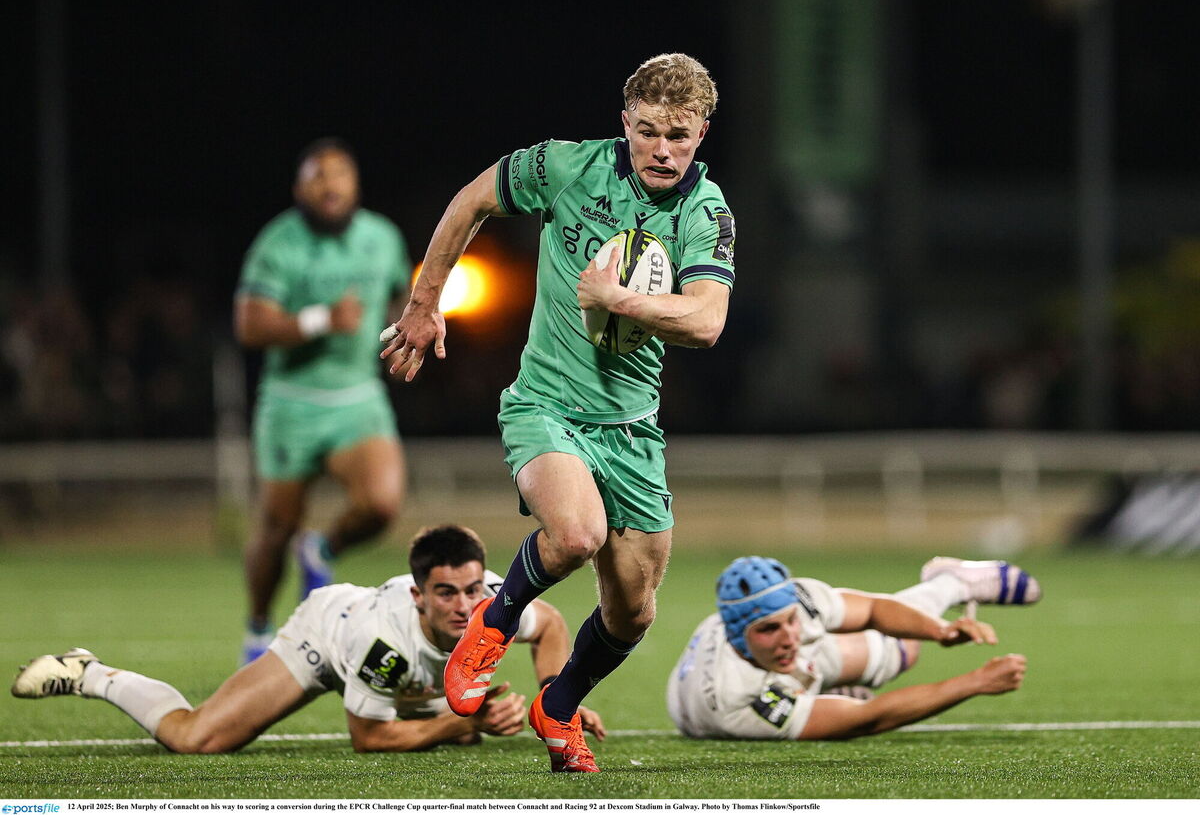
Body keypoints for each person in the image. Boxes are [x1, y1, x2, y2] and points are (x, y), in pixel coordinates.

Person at [380, 53, 735, 772]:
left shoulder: (706, 211)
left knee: (633, 610)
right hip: (546, 406)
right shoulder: (567, 166)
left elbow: (706, 322)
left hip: (632, 430)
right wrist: (424, 301)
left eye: (678, 135)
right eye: (647, 131)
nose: (661, 150)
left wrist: (616, 299)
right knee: (575, 534)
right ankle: (496, 620)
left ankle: (558, 705)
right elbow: (471, 201)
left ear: (701, 132)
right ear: (624, 123)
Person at [10, 525, 605, 753]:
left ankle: (446, 712)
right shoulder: (382, 641)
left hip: (406, 678)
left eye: (473, 589)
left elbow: (551, 625)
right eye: (445, 593)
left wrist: (557, 702)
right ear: (418, 595)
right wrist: (455, 725)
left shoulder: (493, 605)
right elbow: (367, 738)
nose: (464, 605)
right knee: (197, 739)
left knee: (454, 715)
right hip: (327, 640)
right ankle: (92, 673)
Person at [235, 137, 412, 663]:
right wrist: (320, 320)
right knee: (276, 528)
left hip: (358, 397)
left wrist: (412, 326)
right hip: (291, 403)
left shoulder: (382, 237)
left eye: (339, 175)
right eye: (318, 176)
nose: (329, 185)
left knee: (382, 505)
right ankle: (258, 629)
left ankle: (322, 549)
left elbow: (402, 294)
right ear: (299, 188)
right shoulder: (279, 243)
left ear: (355, 185)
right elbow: (249, 325)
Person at [666, 556, 1041, 741]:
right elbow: (868, 718)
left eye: (791, 620)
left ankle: (954, 582)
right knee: (889, 659)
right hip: (716, 703)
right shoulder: (737, 699)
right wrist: (976, 682)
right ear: (736, 633)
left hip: (769, 669)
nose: (790, 637)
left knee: (903, 650)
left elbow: (874, 609)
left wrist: (940, 630)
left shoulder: (793, 603)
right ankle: (951, 584)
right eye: (769, 629)